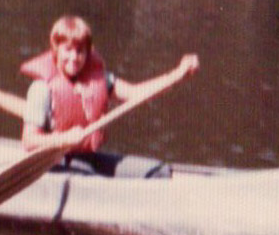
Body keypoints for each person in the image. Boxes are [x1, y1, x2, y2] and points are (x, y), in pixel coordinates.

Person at [20, 14, 199, 177]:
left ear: (88, 52)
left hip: (87, 158)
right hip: (53, 162)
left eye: (80, 51)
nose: (74, 57)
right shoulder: (41, 88)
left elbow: (137, 93)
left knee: (159, 172)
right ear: (56, 49)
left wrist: (177, 75)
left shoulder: (100, 80)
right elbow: (29, 141)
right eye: (68, 50)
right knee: (91, 177)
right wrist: (63, 139)